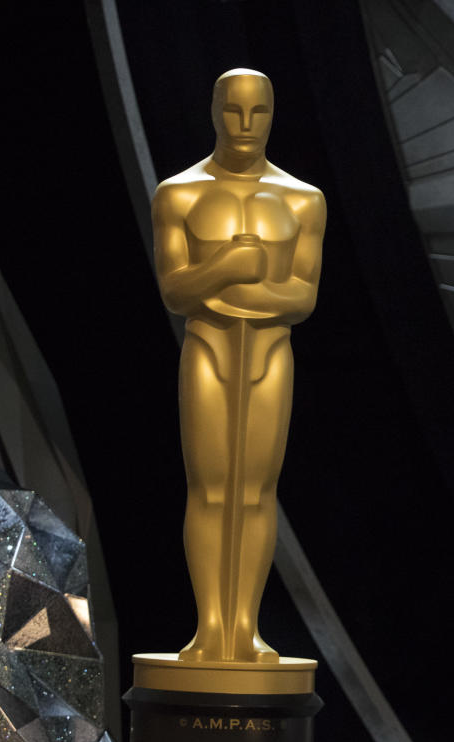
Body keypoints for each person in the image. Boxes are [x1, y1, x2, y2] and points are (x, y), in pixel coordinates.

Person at [152, 68, 327, 663]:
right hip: (208, 348)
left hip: (270, 354)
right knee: (208, 489)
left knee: (255, 492)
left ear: (273, 113)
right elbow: (175, 292)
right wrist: (226, 269)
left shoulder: (303, 199)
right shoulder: (179, 194)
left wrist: (236, 291)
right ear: (214, 110)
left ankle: (245, 630)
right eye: (234, 112)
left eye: (259, 112)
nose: (246, 126)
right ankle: (209, 629)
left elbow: (302, 298)